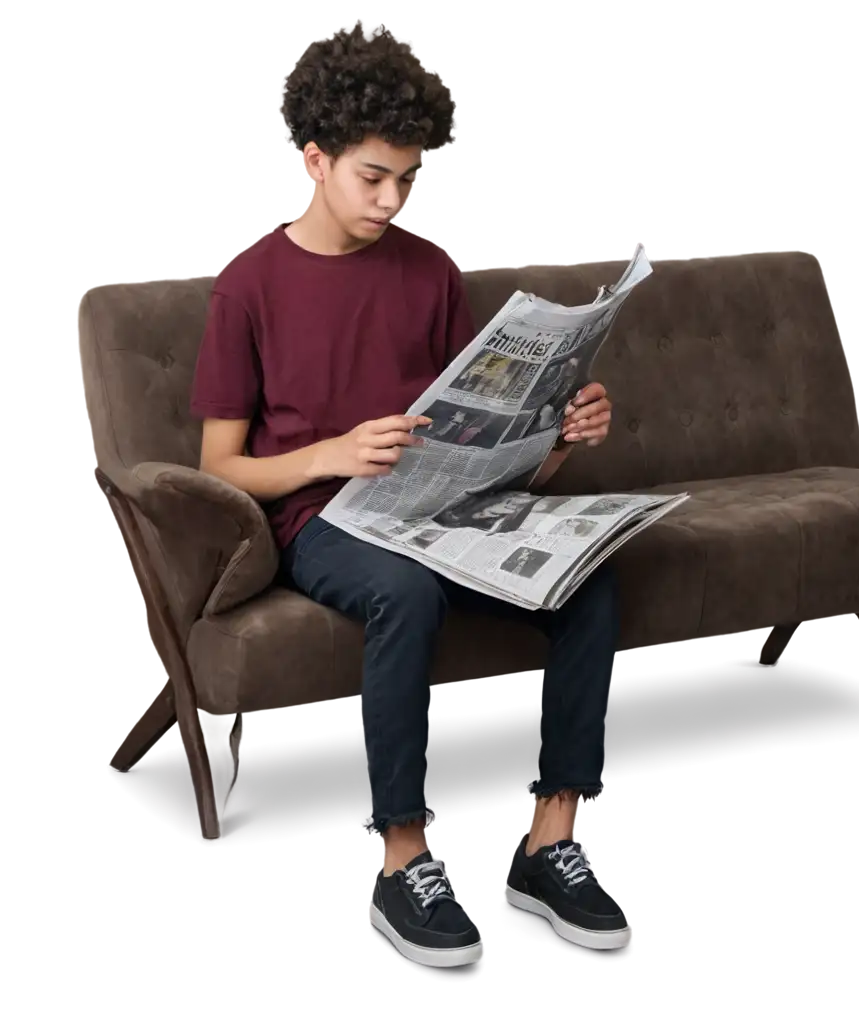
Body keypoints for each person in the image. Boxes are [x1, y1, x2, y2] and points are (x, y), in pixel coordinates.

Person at [189, 23, 631, 970]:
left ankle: (548, 847)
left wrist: (556, 438)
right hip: (325, 521)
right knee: (405, 593)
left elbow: (478, 442)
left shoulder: (429, 271)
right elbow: (219, 467)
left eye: (408, 181)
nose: (393, 201)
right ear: (315, 162)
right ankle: (402, 858)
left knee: (588, 582)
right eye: (372, 178)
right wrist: (331, 454)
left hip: (440, 511)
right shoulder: (248, 288)